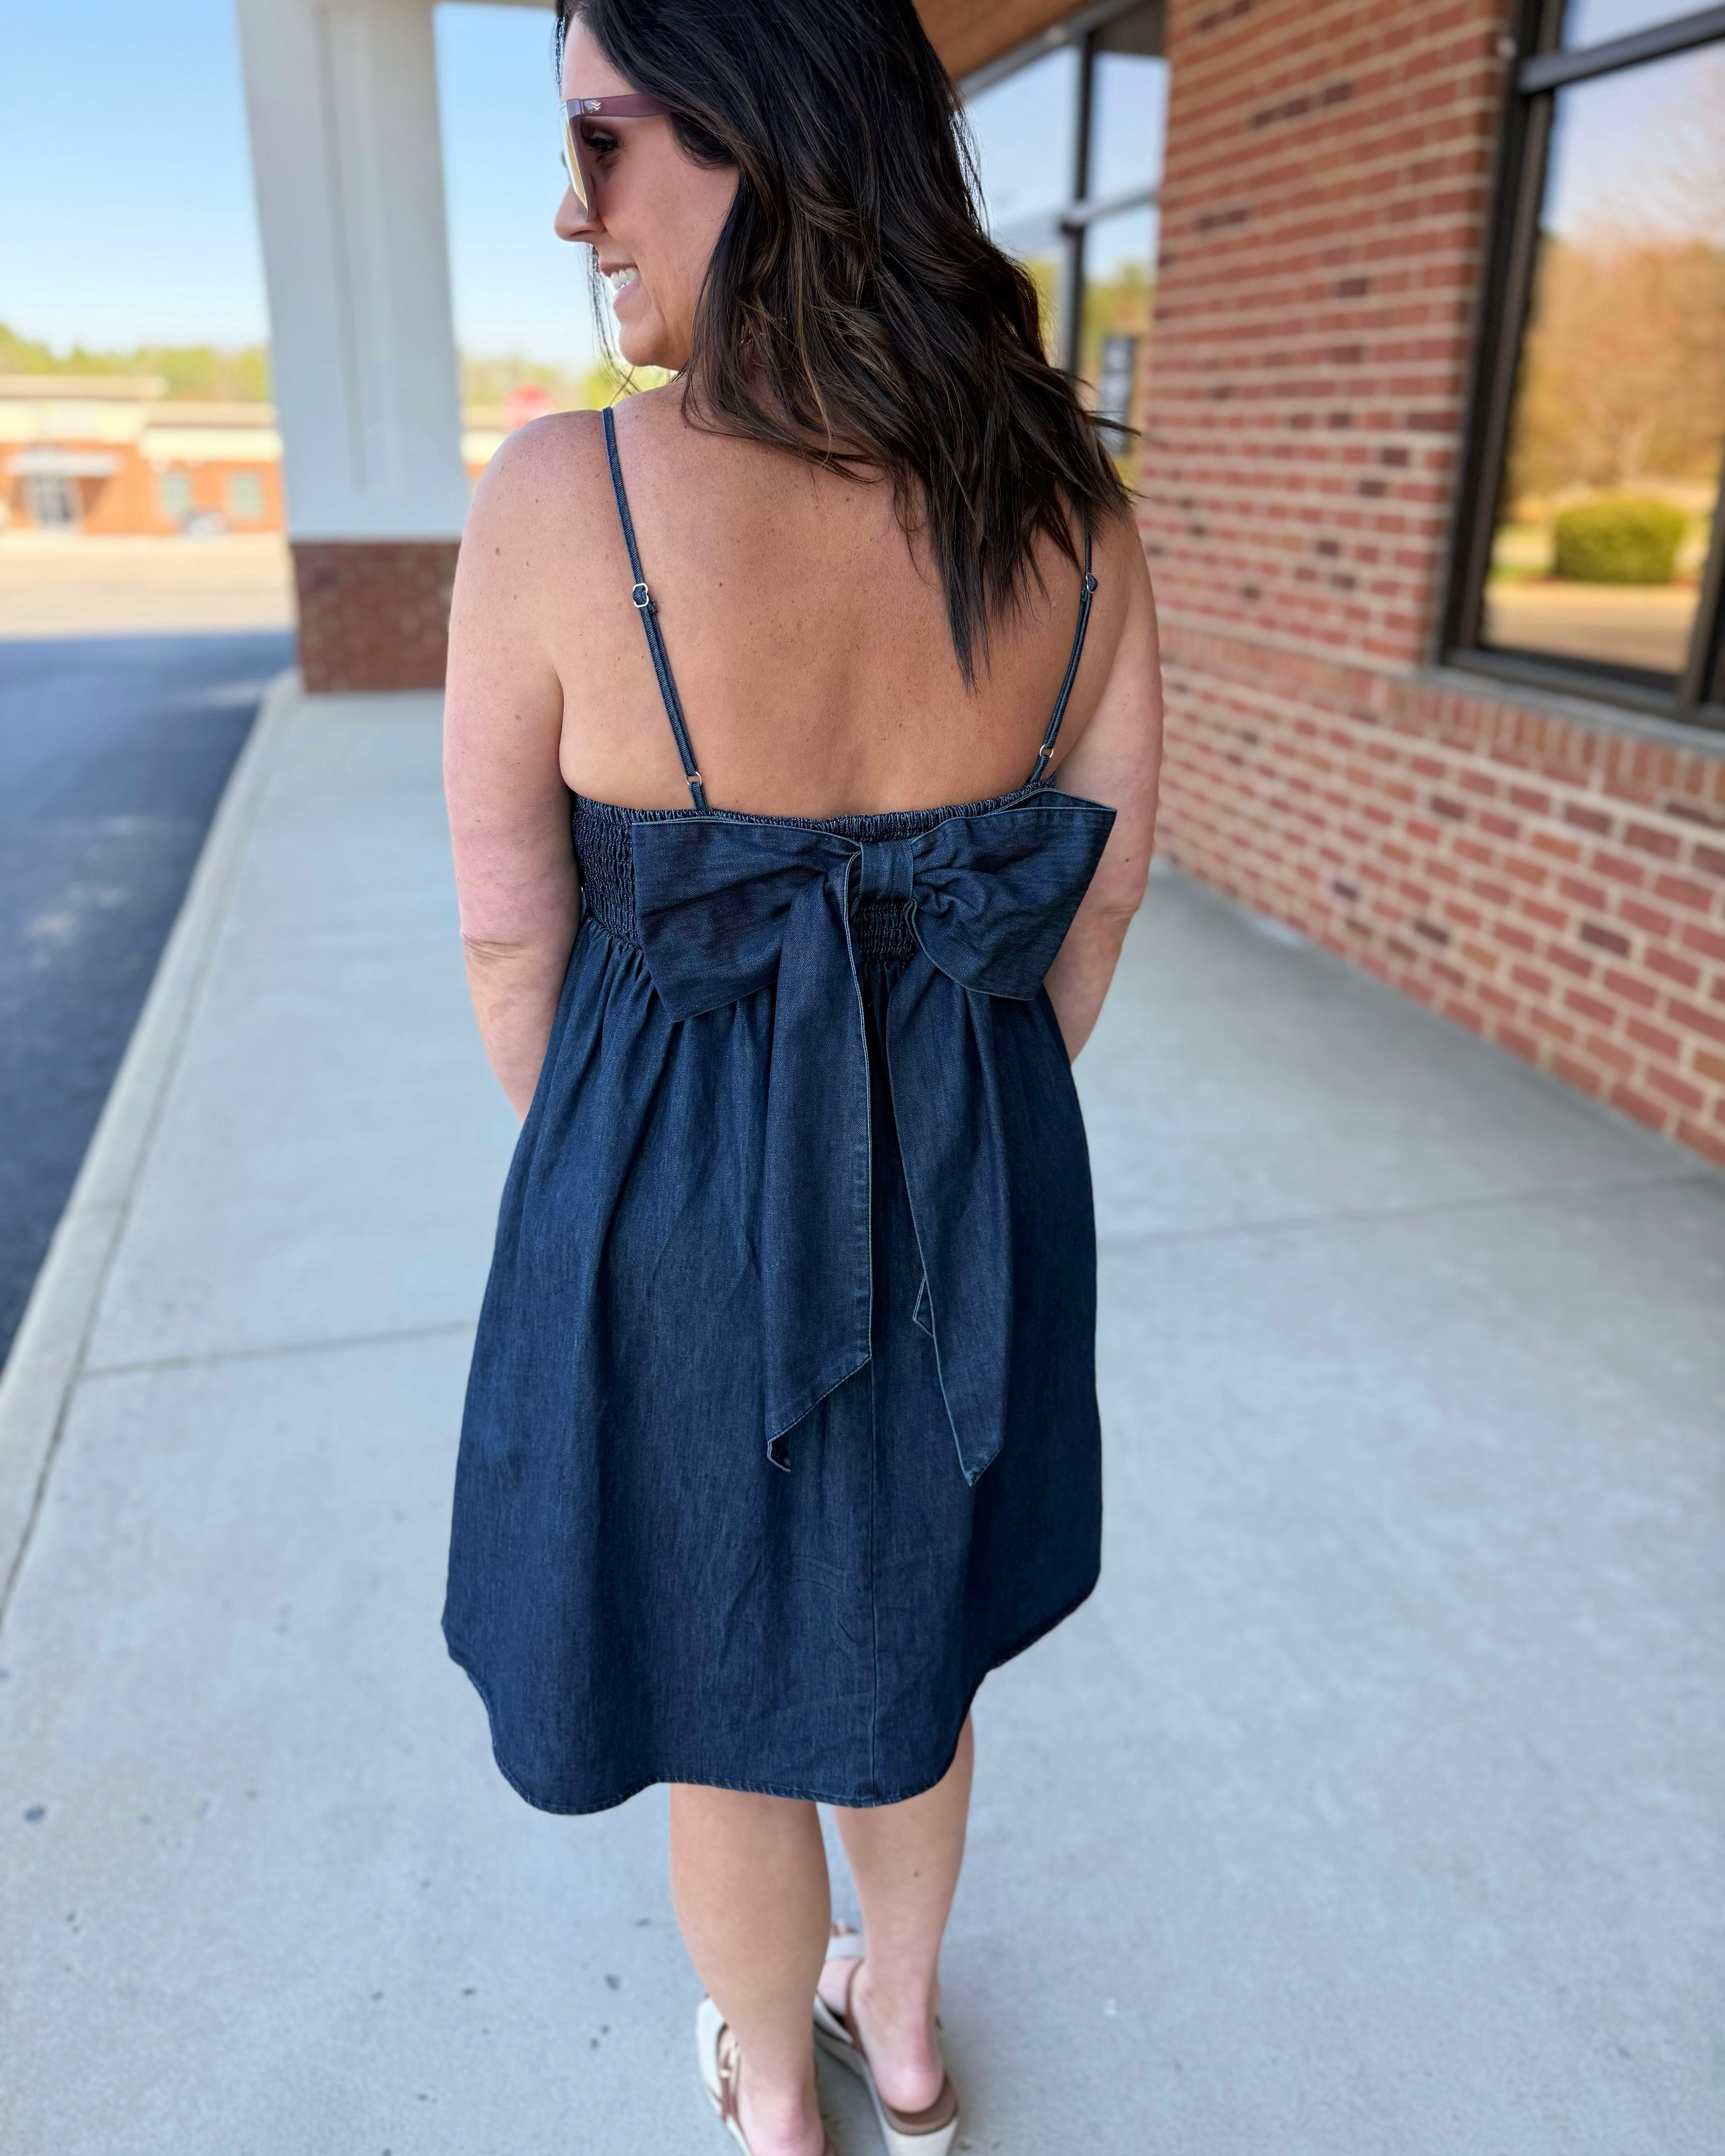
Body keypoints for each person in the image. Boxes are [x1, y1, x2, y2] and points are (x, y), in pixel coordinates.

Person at [440, 2, 1162, 2151]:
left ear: (753, 135)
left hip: (665, 1198)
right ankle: (907, 2037)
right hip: (975, 1160)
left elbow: (510, 927)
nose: (575, 212)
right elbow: (1099, 907)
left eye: (597, 136)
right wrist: (952, 1130)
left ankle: (779, 2099)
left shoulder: (566, 494)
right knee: (901, 1631)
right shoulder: (1079, 510)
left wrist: (619, 1200)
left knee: (723, 1681)